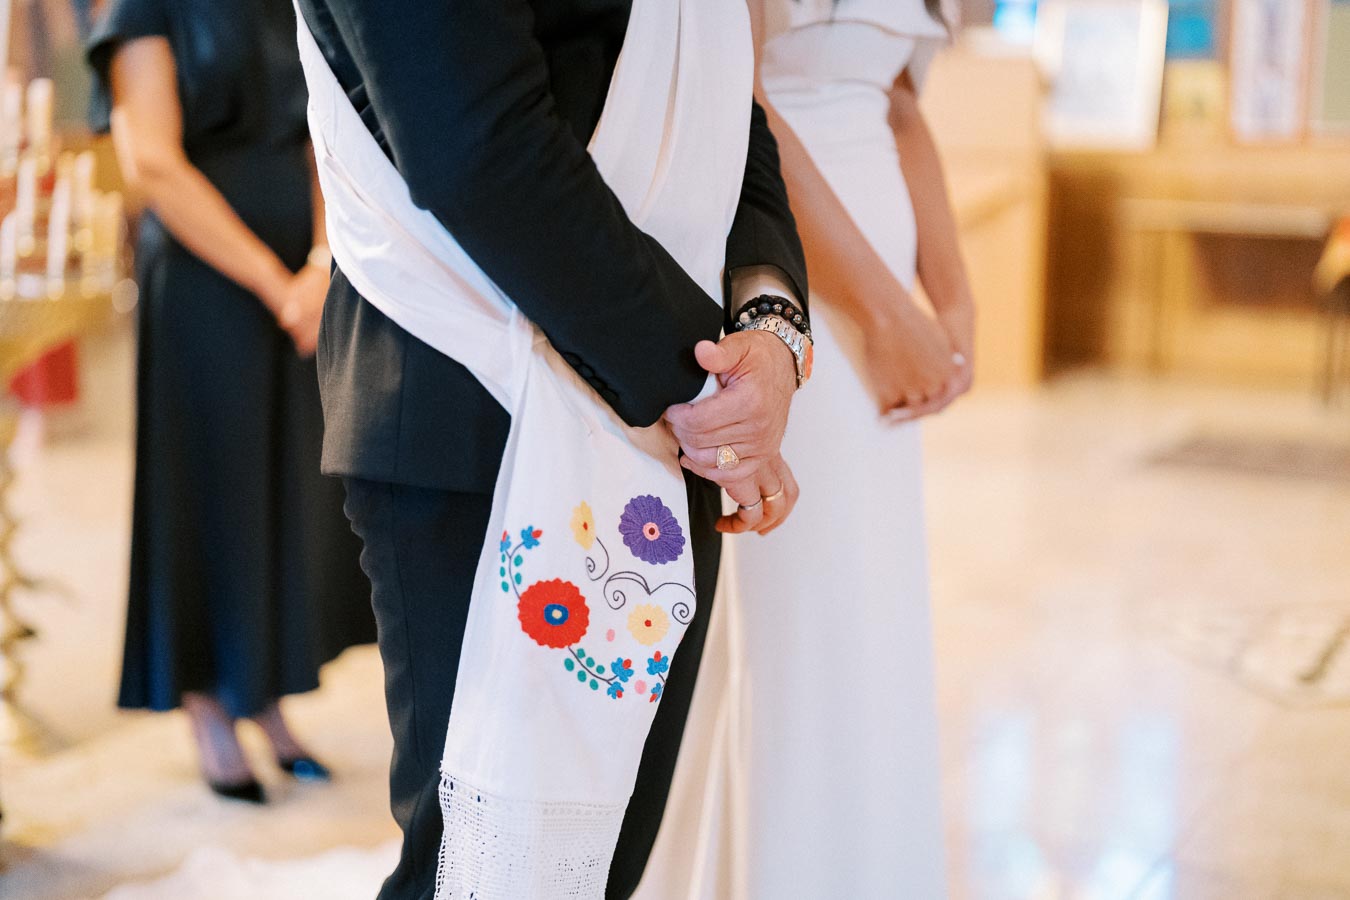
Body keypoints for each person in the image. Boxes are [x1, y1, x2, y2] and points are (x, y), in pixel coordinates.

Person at [294, 1, 812, 897]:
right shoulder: (683, 386)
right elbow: (474, 143)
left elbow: (724, 101)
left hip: (670, 414)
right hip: (482, 402)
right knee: (490, 873)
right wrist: (706, 385)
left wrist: (770, 325)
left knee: (600, 863)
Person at [638, 0, 975, 896]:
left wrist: (954, 303)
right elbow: (743, 109)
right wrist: (885, 311)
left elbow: (901, 107)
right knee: (805, 605)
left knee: (871, 599)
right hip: (786, 279)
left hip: (883, 285)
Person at [87, 0, 374, 804]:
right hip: (207, 281)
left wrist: (321, 259)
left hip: (304, 278)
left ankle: (268, 692)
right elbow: (153, 162)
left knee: (288, 489)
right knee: (212, 486)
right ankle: (209, 700)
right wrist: (272, 282)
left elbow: (329, 125)